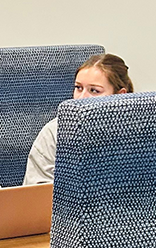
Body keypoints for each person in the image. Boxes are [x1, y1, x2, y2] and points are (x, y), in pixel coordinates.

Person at [23, 53, 133, 185]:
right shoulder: (55, 133)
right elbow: (37, 195)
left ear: (119, 95)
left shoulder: (137, 133)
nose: (81, 98)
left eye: (94, 91)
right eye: (78, 88)